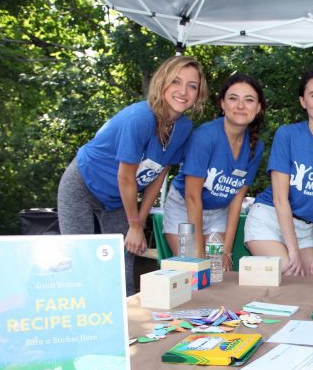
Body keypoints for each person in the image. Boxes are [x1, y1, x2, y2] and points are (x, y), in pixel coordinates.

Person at [57, 55, 208, 294]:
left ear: (199, 93)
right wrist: (134, 224)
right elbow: (126, 177)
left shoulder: (184, 127)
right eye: (176, 82)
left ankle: (127, 325)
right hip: (82, 185)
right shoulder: (139, 118)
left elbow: (159, 175)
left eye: (192, 86)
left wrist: (140, 219)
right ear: (161, 84)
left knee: (124, 260)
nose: (183, 91)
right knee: (80, 258)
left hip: (118, 198)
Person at [244, 67, 313, 277]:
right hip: (270, 219)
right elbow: (280, 200)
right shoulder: (287, 134)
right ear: (303, 101)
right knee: (290, 275)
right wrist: (292, 251)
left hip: (305, 231)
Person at [163, 73, 265, 268]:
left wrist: (227, 251)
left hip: (218, 212)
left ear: (258, 107)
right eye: (233, 98)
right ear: (222, 104)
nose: (240, 106)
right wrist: (199, 252)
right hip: (185, 209)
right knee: (193, 268)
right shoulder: (205, 136)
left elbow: (237, 201)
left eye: (249, 100)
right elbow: (193, 197)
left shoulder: (255, 146)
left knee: (218, 269)